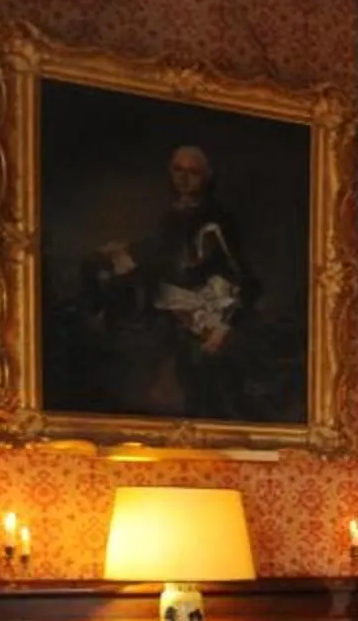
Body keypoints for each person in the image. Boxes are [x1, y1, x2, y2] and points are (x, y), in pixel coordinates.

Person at [80, 144, 258, 417]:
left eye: (193, 172)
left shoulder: (217, 220)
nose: (184, 178)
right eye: (178, 170)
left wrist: (224, 327)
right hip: (171, 315)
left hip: (208, 321)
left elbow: (246, 280)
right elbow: (160, 256)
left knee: (208, 392)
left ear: (207, 176)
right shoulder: (170, 217)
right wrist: (122, 255)